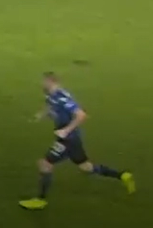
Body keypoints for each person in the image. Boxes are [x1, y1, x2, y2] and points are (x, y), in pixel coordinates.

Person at [19, 72, 135, 210]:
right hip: (73, 140)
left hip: (68, 139)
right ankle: (123, 175)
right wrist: (42, 115)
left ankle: (40, 200)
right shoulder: (51, 95)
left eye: (44, 81)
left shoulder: (63, 98)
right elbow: (50, 106)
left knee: (45, 164)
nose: (42, 84)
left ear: (51, 81)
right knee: (86, 167)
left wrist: (65, 130)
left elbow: (81, 115)